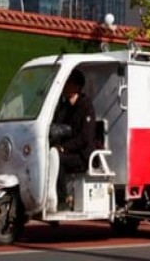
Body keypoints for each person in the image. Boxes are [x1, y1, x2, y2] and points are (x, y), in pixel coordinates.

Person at [51, 68, 96, 210]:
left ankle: (62, 200)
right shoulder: (65, 107)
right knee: (51, 154)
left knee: (58, 158)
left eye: (68, 82)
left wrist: (64, 147)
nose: (64, 85)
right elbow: (57, 126)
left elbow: (85, 138)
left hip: (83, 155)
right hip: (70, 151)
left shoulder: (86, 106)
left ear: (76, 86)